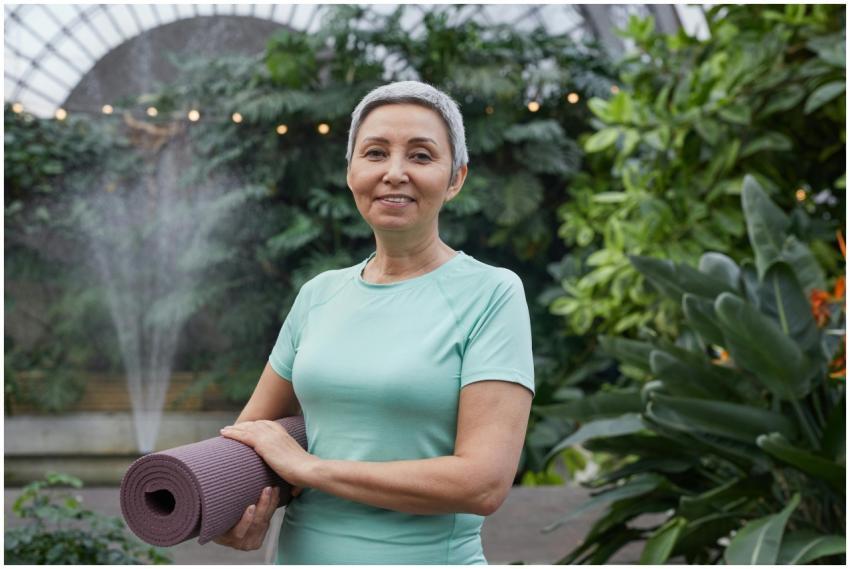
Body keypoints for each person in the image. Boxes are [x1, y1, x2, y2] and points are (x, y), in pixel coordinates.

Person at [215, 80, 535, 564]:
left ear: (456, 178)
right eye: (376, 153)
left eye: (422, 156)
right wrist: (227, 505)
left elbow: (484, 482)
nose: (395, 172)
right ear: (351, 172)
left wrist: (311, 470)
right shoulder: (319, 294)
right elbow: (252, 437)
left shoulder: (491, 294)